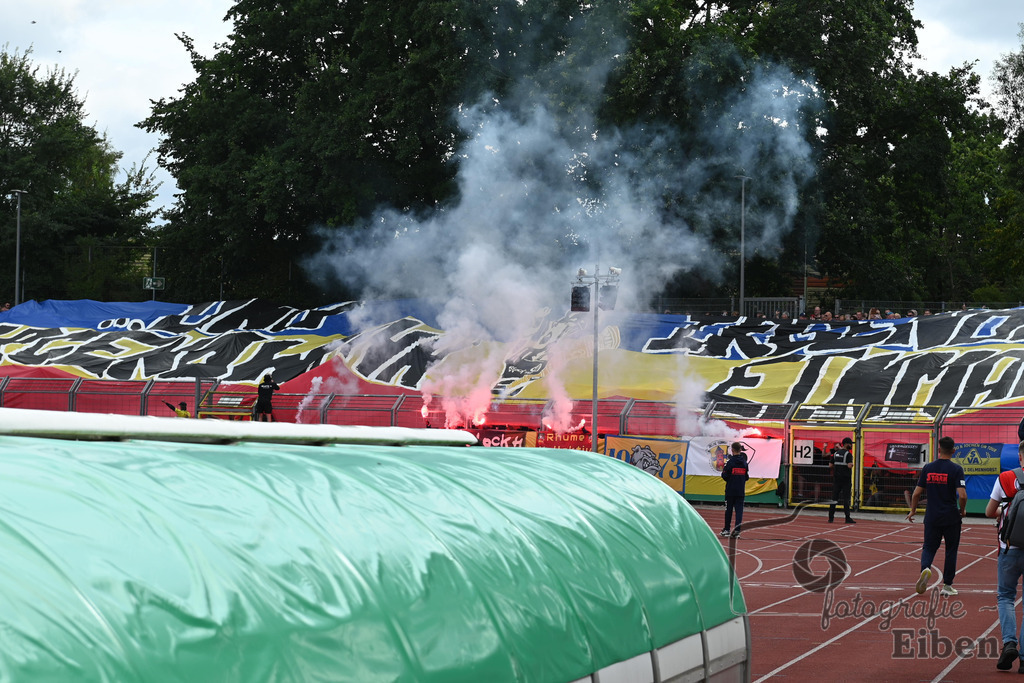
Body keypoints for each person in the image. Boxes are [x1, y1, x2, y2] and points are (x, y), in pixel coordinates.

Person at [906, 436, 966, 596]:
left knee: (929, 547)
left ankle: (925, 568)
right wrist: (962, 510)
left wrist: (913, 510)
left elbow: (916, 493)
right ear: (953, 451)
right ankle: (947, 585)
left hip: (932, 516)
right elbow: (962, 495)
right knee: (951, 550)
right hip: (951, 516)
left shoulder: (928, 468)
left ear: (939, 450)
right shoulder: (956, 469)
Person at [987, 441, 1024, 670]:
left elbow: (989, 511)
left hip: (1008, 547)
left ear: (1020, 457)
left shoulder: (1006, 478)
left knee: (1006, 597)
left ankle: (1009, 643)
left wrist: (1003, 510)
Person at [720, 442, 749, 538]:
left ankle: (727, 530)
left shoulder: (730, 462)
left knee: (728, 510)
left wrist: (731, 479)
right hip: (740, 490)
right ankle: (737, 531)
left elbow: (724, 475)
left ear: (732, 450)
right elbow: (746, 477)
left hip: (730, 490)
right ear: (740, 450)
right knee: (739, 511)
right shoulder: (744, 463)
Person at [828, 437, 856, 523]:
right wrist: (852, 464)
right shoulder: (848, 454)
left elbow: (830, 465)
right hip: (846, 480)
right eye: (850, 444)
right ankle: (847, 518)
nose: (851, 446)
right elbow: (849, 466)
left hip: (837, 479)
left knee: (834, 499)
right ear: (846, 444)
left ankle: (831, 518)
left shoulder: (836, 453)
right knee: (846, 499)